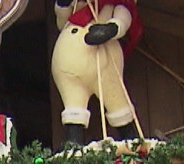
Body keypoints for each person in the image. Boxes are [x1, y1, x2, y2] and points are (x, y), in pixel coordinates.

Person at [51, 0, 143, 145]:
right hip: (69, 67)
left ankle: (130, 137)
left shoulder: (114, 5)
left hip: (103, 60)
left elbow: (123, 19)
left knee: (115, 100)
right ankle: (74, 140)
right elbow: (62, 23)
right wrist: (63, 5)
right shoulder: (78, 4)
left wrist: (110, 29)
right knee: (74, 105)